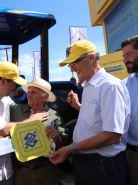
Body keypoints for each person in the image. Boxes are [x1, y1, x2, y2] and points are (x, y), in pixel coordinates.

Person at [49, 40, 130, 185]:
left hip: (102, 165)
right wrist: (78, 106)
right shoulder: (89, 86)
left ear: (92, 58)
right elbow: (98, 118)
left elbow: (112, 135)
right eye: (70, 65)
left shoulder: (109, 86)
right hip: (86, 163)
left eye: (75, 63)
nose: (72, 69)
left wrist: (71, 148)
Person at [10, 76, 69, 185]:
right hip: (21, 173)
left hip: (47, 173)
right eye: (28, 92)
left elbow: (64, 148)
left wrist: (57, 138)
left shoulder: (55, 116)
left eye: (34, 92)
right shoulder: (15, 110)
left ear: (45, 97)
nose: (29, 95)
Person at [121, 35, 138, 185]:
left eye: (129, 54)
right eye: (124, 56)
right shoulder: (124, 86)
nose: (125, 60)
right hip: (134, 157)